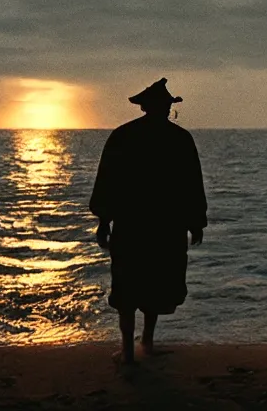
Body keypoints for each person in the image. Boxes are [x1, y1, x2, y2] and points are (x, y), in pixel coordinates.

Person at [90, 78, 207, 364]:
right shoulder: (179, 139)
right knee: (151, 284)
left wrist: (104, 221)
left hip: (135, 225)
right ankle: (144, 344)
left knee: (131, 286)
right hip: (164, 227)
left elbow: (107, 182)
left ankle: (133, 349)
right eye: (165, 104)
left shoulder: (123, 136)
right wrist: (196, 221)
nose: (166, 109)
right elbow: (192, 184)